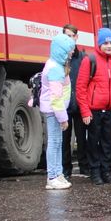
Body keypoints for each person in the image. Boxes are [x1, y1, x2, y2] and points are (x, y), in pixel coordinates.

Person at [76, 28, 111, 186]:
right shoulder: (90, 60)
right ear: (99, 44)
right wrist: (85, 110)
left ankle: (106, 171)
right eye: (106, 43)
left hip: (110, 109)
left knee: (107, 142)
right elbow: (81, 87)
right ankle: (95, 171)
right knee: (93, 141)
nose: (109, 46)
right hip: (94, 110)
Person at [37, 34, 77, 190]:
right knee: (54, 143)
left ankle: (57, 173)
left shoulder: (55, 65)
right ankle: (52, 176)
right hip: (54, 112)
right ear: (62, 51)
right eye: (70, 49)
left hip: (55, 111)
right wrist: (63, 118)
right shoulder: (55, 69)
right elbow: (56, 98)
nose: (72, 52)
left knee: (57, 142)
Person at [62, 24, 89, 179]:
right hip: (65, 105)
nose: (70, 39)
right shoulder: (61, 56)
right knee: (65, 139)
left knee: (81, 137)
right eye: (66, 36)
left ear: (76, 37)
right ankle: (66, 169)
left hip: (79, 103)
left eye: (72, 36)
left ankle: (84, 166)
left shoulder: (83, 58)